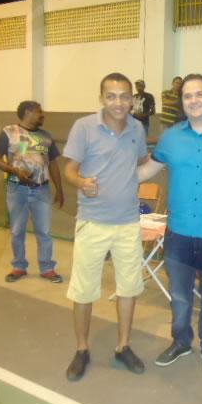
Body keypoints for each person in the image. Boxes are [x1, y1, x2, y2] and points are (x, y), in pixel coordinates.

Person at [138, 74, 202, 375]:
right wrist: (108, 176)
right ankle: (181, 341)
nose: (193, 100)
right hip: (179, 234)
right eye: (187, 96)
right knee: (180, 295)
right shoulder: (170, 138)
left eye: (199, 94)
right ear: (182, 102)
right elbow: (147, 171)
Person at [62, 72, 148, 381]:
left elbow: (141, 164)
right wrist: (82, 182)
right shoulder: (84, 127)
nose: (119, 102)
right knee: (84, 291)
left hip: (127, 223)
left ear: (132, 99)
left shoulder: (137, 128)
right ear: (102, 98)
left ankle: (123, 346)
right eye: (112, 96)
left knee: (129, 288)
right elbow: (69, 169)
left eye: (125, 96)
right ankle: (82, 349)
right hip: (92, 222)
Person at [0, 100, 64, 284]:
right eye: (40, 111)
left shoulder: (46, 136)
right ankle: (19, 266)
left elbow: (53, 164)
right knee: (17, 231)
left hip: (42, 190)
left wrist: (60, 190)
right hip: (16, 189)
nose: (43, 115)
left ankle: (47, 268)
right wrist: (14, 170)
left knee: (44, 231)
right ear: (29, 112)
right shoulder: (9, 132)